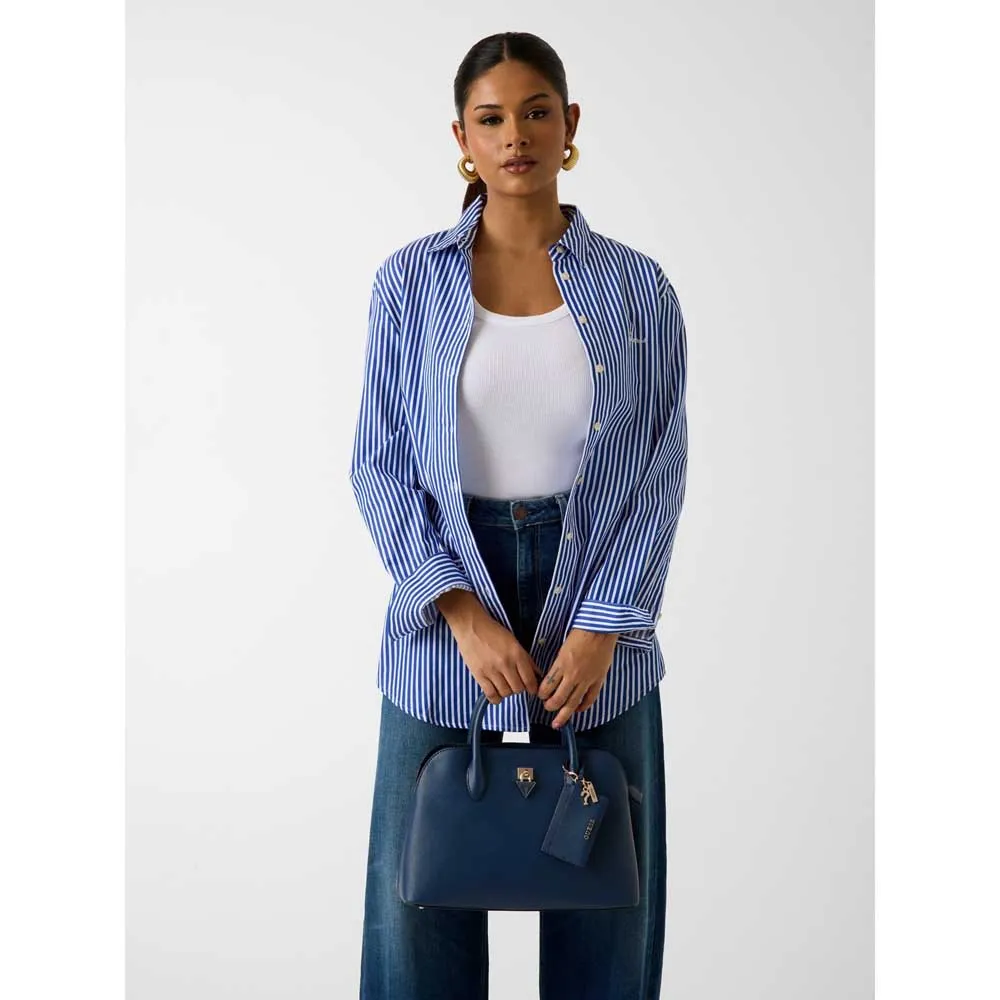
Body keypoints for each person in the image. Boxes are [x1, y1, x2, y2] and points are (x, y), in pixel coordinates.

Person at [349, 30, 689, 1000]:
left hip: (597, 602)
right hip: (449, 604)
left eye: (536, 112)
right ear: (461, 137)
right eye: (491, 118)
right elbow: (378, 463)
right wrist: (458, 610)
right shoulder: (408, 283)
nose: (515, 137)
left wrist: (603, 625)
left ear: (569, 124)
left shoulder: (637, 288)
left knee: (605, 906)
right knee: (416, 914)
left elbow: (660, 467)